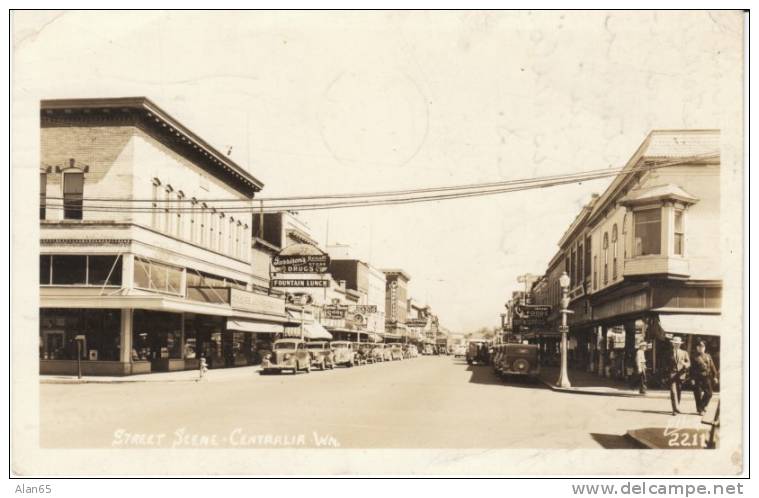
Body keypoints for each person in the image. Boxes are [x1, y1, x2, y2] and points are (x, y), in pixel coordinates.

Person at [691, 340, 719, 416]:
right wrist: (692, 379)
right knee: (698, 394)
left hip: (707, 377)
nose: (701, 348)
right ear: (697, 348)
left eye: (703, 346)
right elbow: (692, 369)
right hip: (698, 378)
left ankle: (702, 406)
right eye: (699, 347)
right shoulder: (694, 357)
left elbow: (712, 367)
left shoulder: (708, 356)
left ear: (705, 348)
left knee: (709, 393)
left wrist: (715, 376)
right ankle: (700, 410)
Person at [667, 336, 691, 416]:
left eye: (678, 344)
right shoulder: (668, 352)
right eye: (675, 343)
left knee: (679, 391)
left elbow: (689, 364)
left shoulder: (684, 353)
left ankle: (677, 407)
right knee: (673, 392)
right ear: (672, 344)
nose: (677, 345)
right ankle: (675, 409)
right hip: (672, 375)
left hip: (681, 375)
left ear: (680, 344)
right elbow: (664, 364)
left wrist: (685, 364)